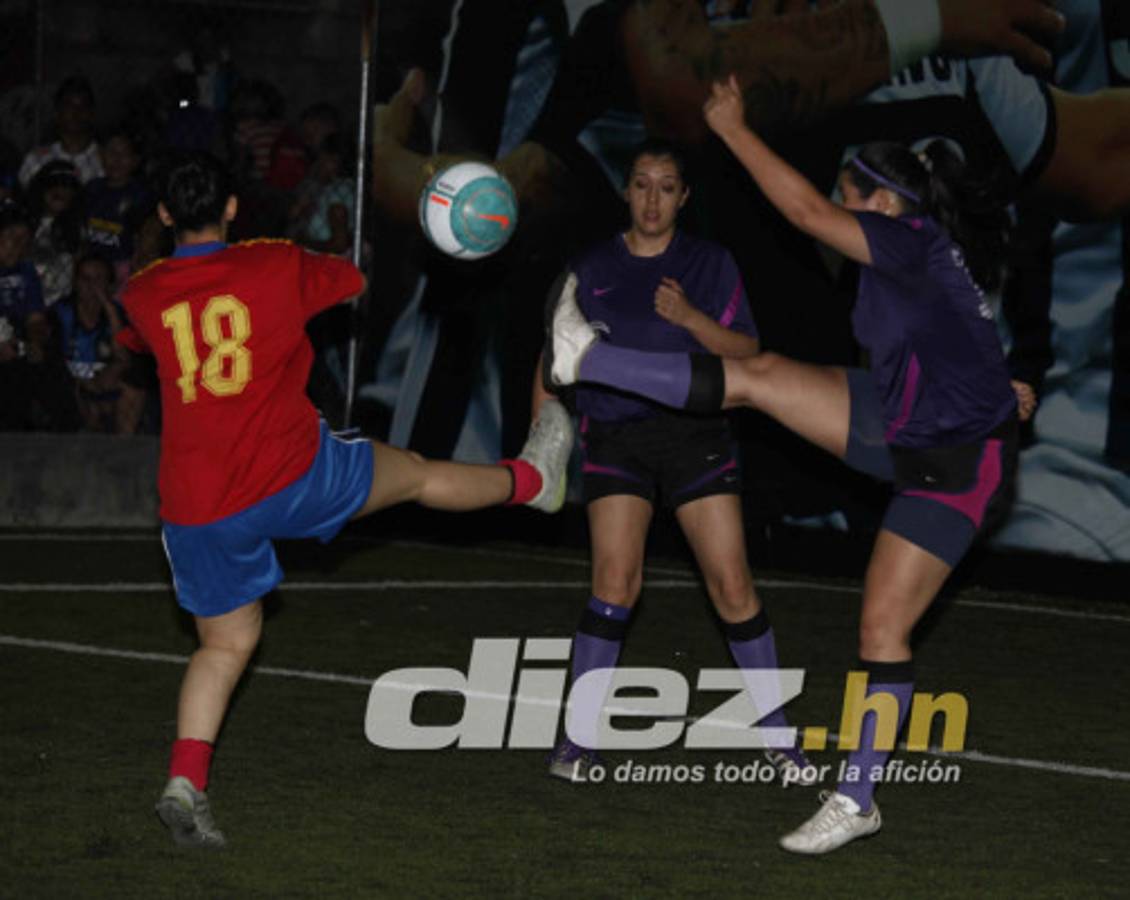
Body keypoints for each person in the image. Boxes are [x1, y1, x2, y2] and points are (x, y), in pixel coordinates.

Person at [545, 77, 1020, 853]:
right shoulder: (913, 258)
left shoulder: (907, 240)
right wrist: (1002, 386)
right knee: (758, 378)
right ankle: (592, 358)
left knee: (881, 628)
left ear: (885, 203)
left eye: (846, 192)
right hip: (904, 420)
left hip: (956, 465)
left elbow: (802, 211)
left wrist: (732, 128)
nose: (831, 205)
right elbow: (954, 343)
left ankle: (858, 800)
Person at [116, 152, 573, 848]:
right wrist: (430, 214)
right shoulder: (272, 262)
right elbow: (351, 280)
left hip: (199, 503)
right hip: (292, 474)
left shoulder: (146, 293)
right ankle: (535, 482)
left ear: (167, 213)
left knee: (224, 645)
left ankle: (186, 780)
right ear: (234, 207)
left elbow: (136, 336)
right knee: (417, 475)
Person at [535, 137, 810, 781]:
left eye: (665, 187)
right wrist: (540, 440)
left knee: (732, 586)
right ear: (625, 191)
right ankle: (577, 740)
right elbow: (552, 356)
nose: (651, 198)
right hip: (614, 439)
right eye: (640, 184)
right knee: (614, 584)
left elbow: (746, 353)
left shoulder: (709, 263)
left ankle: (777, 736)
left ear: (683, 198)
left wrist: (690, 318)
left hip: (695, 437)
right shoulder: (591, 266)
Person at [53, 253, 146, 433]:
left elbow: (124, 358)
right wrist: (83, 384)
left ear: (110, 285)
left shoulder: (119, 315)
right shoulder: (60, 313)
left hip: (106, 388)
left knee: (133, 387)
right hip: (73, 387)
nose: (91, 285)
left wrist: (109, 309)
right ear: (75, 283)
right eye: (85, 279)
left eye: (98, 279)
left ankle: (123, 447)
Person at [18, 75, 103, 187]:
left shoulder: (106, 160)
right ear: (57, 112)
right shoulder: (37, 160)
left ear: (92, 114)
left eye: (83, 106)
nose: (76, 112)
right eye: (69, 105)